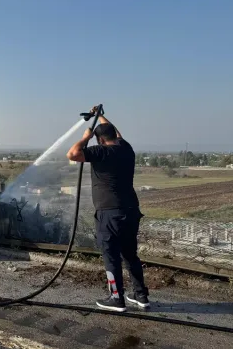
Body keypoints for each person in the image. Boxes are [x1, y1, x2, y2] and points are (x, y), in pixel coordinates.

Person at [66, 107, 149, 312]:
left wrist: (86, 137)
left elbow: (72, 154)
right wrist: (100, 116)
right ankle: (141, 296)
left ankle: (116, 298)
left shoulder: (100, 151)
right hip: (130, 210)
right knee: (130, 255)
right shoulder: (126, 148)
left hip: (109, 213)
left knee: (111, 256)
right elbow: (116, 133)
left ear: (100, 140)